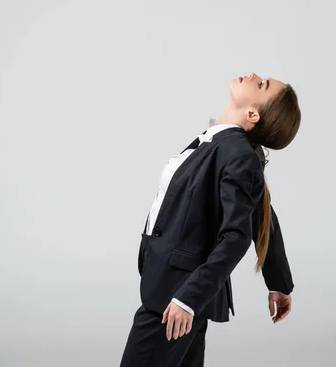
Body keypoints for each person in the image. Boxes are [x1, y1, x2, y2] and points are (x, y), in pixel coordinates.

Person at [119, 72, 301, 367]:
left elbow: (237, 236)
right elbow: (263, 214)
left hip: (176, 297)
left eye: (261, 85)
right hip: (179, 292)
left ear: (253, 113)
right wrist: (279, 282)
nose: (254, 75)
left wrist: (188, 298)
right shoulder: (223, 145)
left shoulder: (236, 153)